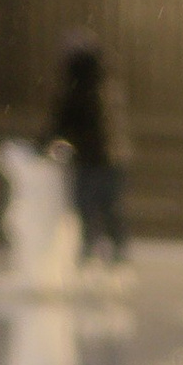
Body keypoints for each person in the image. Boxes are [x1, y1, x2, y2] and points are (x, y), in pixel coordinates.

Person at [46, 31, 131, 266]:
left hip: (92, 161)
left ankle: (91, 258)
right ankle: (113, 258)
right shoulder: (107, 88)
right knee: (109, 210)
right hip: (112, 160)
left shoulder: (78, 92)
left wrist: (43, 145)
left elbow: (60, 126)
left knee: (88, 211)